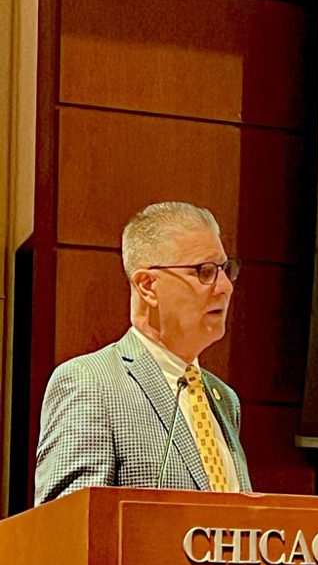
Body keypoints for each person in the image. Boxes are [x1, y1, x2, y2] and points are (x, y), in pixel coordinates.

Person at [34, 202, 252, 505]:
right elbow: (67, 529)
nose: (225, 287)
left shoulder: (224, 398)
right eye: (205, 272)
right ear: (148, 286)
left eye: (225, 270)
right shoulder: (89, 382)